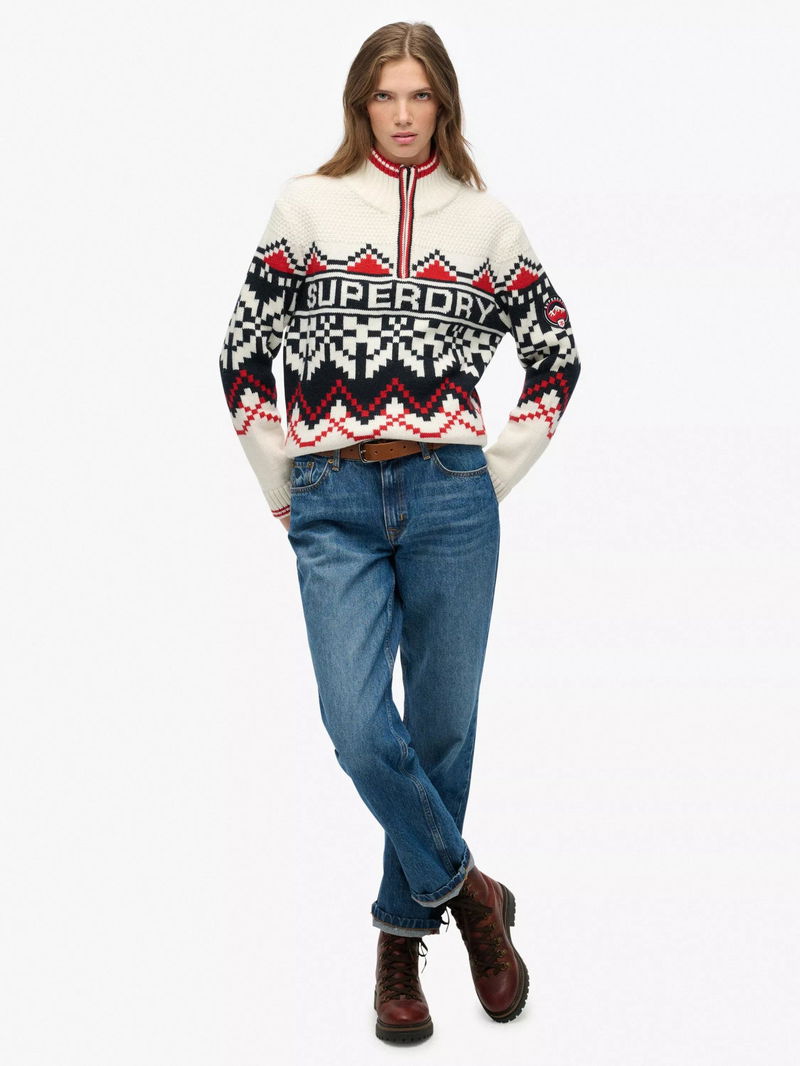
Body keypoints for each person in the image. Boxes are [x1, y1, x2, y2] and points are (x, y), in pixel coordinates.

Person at [218, 20, 581, 1045]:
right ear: (360, 104)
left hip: (450, 496)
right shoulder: (307, 207)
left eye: (420, 95)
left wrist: (490, 475)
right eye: (386, 95)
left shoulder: (488, 224)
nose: (404, 114)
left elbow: (556, 354)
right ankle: (469, 893)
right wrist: (284, 489)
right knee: (355, 723)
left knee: (442, 727)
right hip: (332, 495)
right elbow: (242, 357)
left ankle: (397, 937)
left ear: (443, 105)